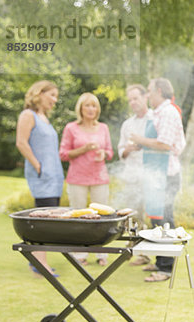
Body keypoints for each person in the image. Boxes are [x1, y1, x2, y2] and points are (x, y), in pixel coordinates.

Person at [130, 77, 186, 282]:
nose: (147, 95)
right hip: (155, 174)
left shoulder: (169, 112)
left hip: (166, 175)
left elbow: (164, 144)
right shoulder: (158, 113)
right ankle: (160, 260)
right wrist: (140, 145)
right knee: (156, 218)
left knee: (165, 220)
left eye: (149, 91)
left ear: (159, 91)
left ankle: (166, 268)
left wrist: (140, 140)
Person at [16, 80, 64, 277]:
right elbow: (21, 142)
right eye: (52, 95)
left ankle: (37, 260)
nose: (55, 100)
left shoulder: (45, 118)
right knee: (44, 219)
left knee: (50, 219)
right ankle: (39, 263)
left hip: (54, 176)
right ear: (39, 93)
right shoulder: (29, 115)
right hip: (42, 176)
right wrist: (37, 165)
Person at [59, 92, 114, 266]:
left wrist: (103, 153)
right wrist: (84, 149)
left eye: (94, 105)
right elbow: (63, 154)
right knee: (78, 216)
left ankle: (101, 253)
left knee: (101, 217)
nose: (91, 109)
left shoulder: (103, 128)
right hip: (77, 179)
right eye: (87, 105)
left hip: (99, 178)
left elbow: (110, 152)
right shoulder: (71, 128)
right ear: (80, 109)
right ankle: (80, 254)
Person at [117, 84, 153, 266]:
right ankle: (133, 249)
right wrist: (128, 149)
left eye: (136, 98)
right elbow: (120, 151)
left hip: (152, 176)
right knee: (133, 216)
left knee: (151, 215)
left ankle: (148, 253)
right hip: (132, 176)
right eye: (130, 99)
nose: (133, 102)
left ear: (145, 97)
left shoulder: (155, 119)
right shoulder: (127, 124)